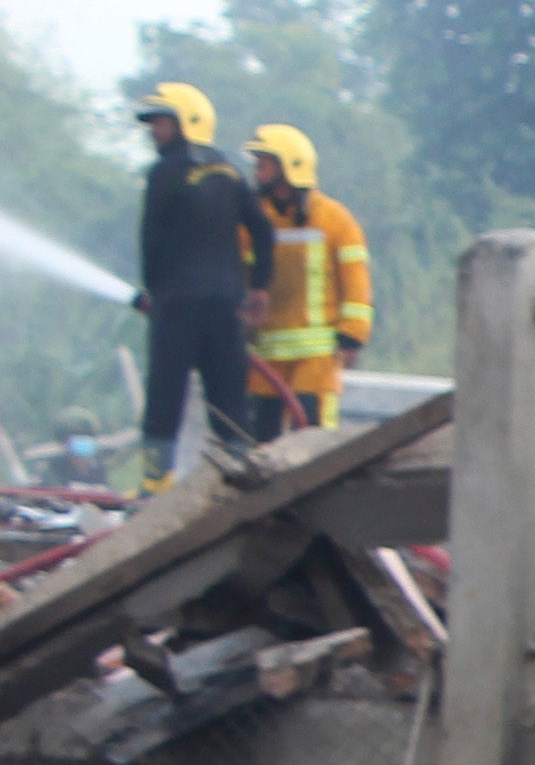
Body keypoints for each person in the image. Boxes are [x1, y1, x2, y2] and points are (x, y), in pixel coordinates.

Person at [129, 83, 266, 483]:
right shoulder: (228, 172)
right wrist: (258, 285)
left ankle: (155, 489)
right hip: (225, 305)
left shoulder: (164, 172)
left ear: (187, 123)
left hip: (177, 305)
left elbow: (150, 237)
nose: (154, 131)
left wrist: (153, 292)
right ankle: (244, 483)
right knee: (229, 400)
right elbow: (260, 229)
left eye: (161, 122)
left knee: (164, 399)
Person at [237, 125, 373, 435]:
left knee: (311, 439)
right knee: (261, 442)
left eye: (264, 165)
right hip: (266, 352)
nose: (257, 173)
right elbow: (240, 276)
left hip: (316, 356)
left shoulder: (334, 219)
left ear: (290, 167)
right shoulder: (254, 222)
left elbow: (356, 281)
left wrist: (353, 335)